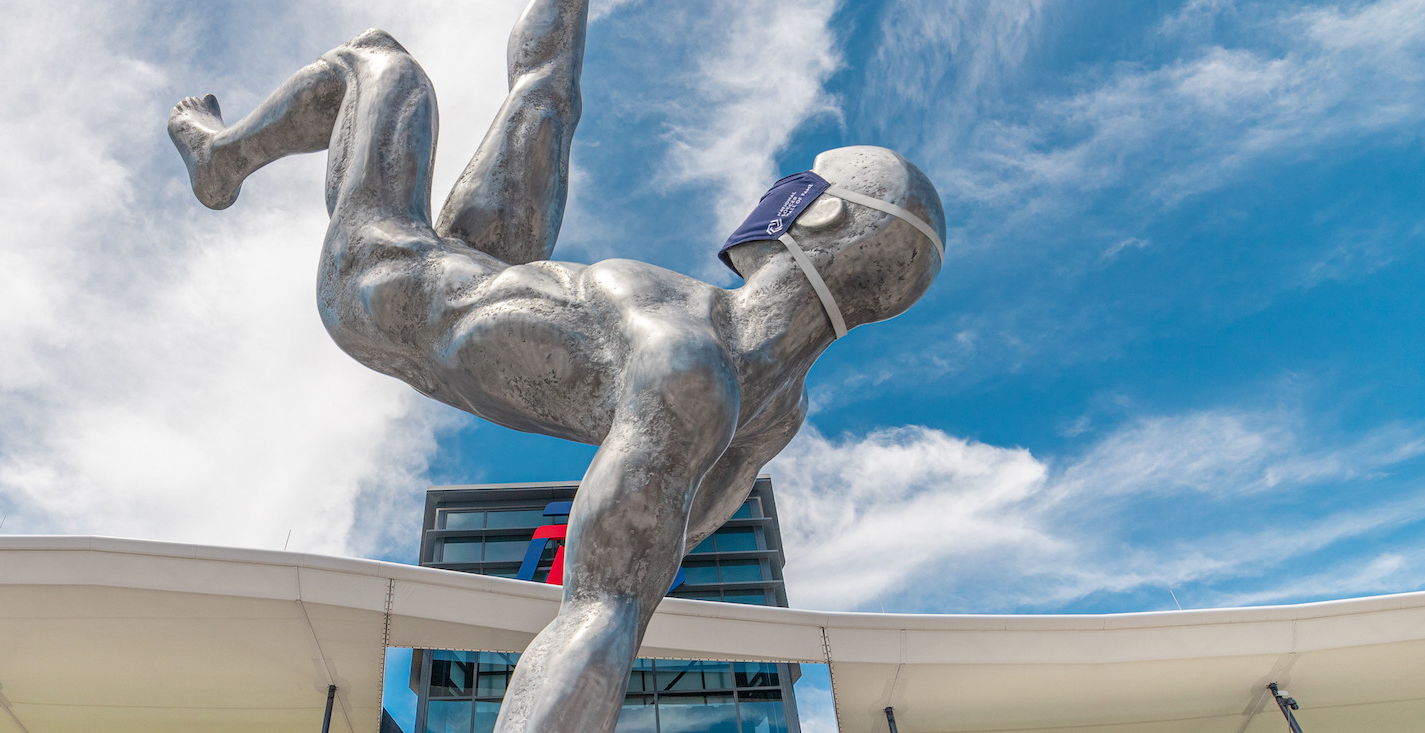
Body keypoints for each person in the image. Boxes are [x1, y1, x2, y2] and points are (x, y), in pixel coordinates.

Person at [168, 1, 943, 729]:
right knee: (546, 94)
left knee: (381, 67)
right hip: (484, 270)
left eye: (806, 184)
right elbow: (663, 544)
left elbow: (604, 608)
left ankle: (219, 161)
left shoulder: (685, 359)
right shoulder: (770, 413)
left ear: (823, 215)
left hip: (383, 282)